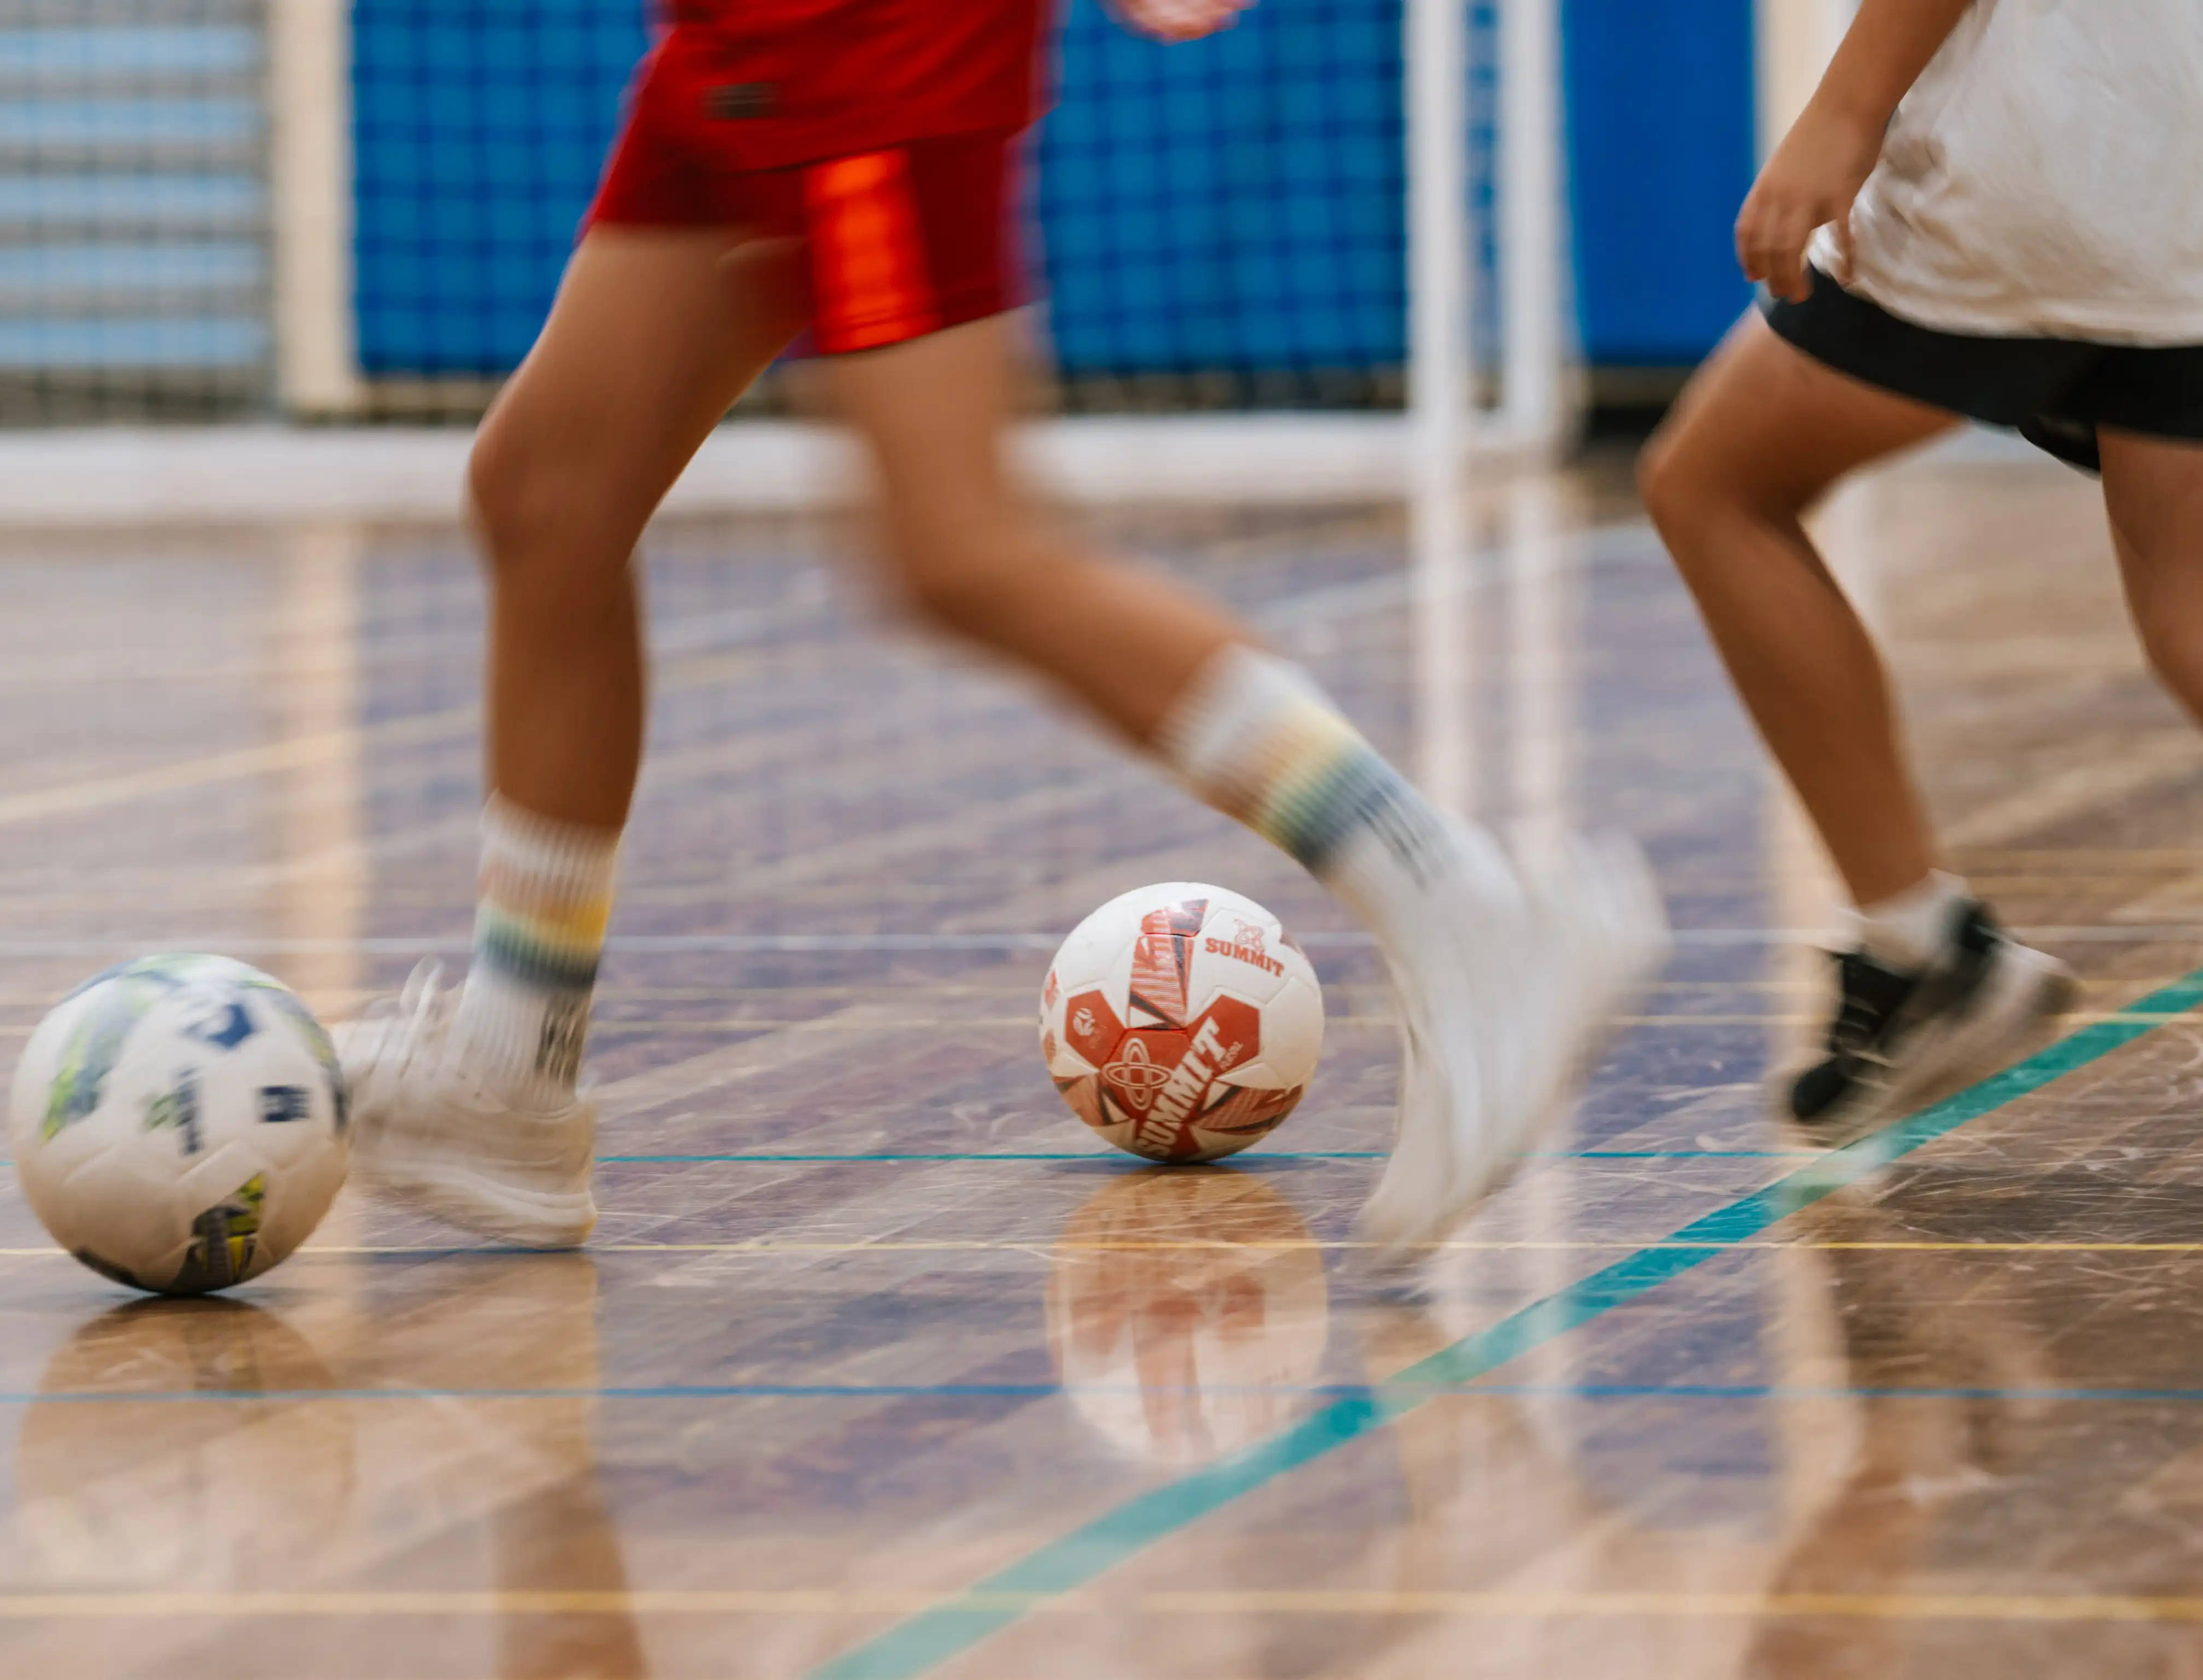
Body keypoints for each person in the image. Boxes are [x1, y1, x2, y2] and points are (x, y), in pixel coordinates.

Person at [340, 0, 1668, 1249]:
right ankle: (516, 1065)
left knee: (959, 549)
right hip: (739, 35)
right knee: (548, 497)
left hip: (862, 41)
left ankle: (1462, 905)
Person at [1640, 0, 2201, 1142]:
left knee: (1714, 487)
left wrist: (1844, 115)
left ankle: (1919, 946)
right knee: (2189, 607)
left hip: (2059, 143)